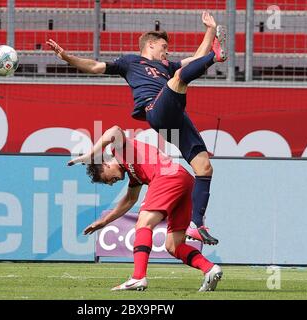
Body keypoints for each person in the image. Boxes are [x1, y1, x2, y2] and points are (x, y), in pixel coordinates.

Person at [47, 11, 227, 245]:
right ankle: (217, 57)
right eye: (164, 46)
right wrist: (68, 57)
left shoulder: (168, 66)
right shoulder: (130, 62)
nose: (168, 51)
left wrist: (210, 30)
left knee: (204, 168)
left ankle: (197, 224)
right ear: (150, 45)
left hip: (177, 116)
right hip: (156, 111)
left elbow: (196, 60)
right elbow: (93, 66)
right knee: (181, 77)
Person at [68, 125, 222, 291]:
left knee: (143, 224)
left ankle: (138, 277)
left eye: (107, 180)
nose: (112, 183)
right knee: (173, 245)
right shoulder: (133, 174)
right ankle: (210, 269)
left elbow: (114, 130)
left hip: (167, 177)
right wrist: (104, 221)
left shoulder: (119, 150)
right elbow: (129, 200)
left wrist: (92, 153)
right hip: (184, 181)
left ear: (105, 164)